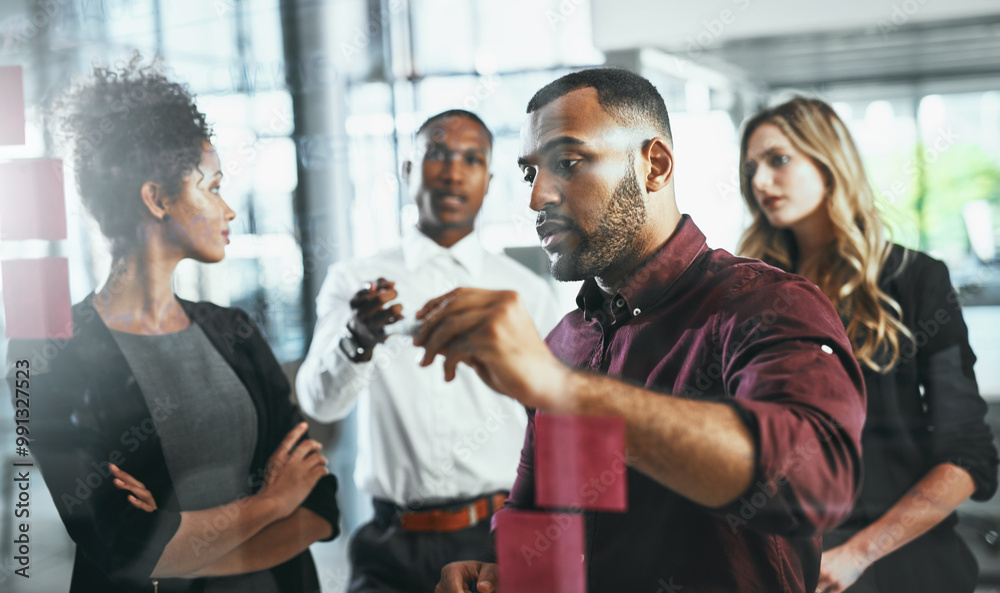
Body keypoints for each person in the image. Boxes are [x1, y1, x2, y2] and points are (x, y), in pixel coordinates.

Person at [429, 68, 866, 593]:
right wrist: (502, 570)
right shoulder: (566, 341)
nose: (538, 197)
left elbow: (815, 483)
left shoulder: (763, 304)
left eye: (567, 163)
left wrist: (566, 391)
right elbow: (541, 512)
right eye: (529, 174)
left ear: (654, 165)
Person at [8, 56, 340, 592]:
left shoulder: (235, 331)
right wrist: (271, 502)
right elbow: (117, 544)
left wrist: (175, 548)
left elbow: (320, 501)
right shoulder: (45, 355)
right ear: (156, 199)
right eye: (211, 186)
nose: (229, 209)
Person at [737, 97, 998, 593]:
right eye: (751, 168)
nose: (760, 182)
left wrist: (858, 553)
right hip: (787, 565)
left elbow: (968, 458)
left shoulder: (915, 279)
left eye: (778, 159)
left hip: (901, 563)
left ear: (829, 161)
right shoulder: (753, 291)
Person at [295, 110, 560, 592]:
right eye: (437, 154)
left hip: (495, 541)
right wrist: (359, 337)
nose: (454, 171)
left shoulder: (528, 294)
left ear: (488, 179)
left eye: (472, 159)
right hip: (388, 545)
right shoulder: (355, 282)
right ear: (408, 170)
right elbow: (319, 402)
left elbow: (554, 424)